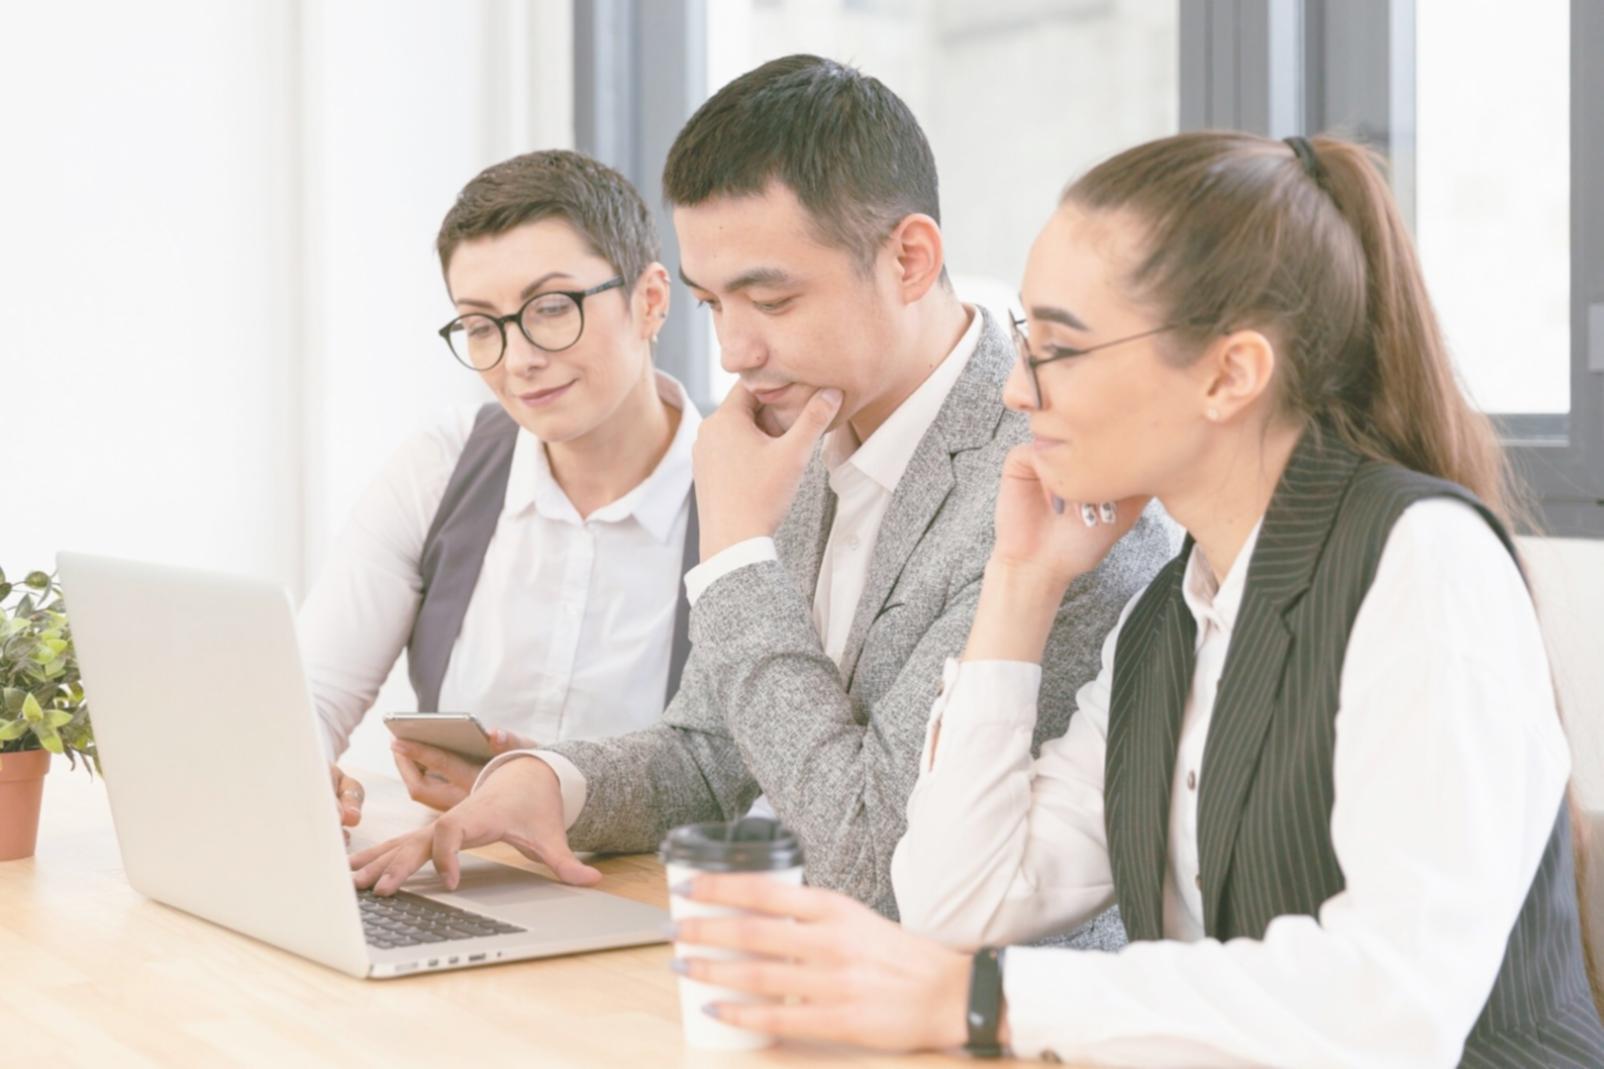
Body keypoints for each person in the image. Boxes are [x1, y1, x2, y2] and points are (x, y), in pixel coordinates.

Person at [661, 131, 1604, 1066]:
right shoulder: (1169, 617)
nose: (1017, 389)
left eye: (1060, 348)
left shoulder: (1422, 563)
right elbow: (955, 903)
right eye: (1024, 339)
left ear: (1230, 374)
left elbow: (1393, 1004)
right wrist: (1021, 584)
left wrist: (982, 999)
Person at [349, 55, 1171, 945]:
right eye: (711, 304)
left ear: (909, 259)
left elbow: (878, 863)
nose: (734, 351)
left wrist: (737, 556)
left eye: (770, 299)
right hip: (803, 971)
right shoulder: (806, 421)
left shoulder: (1051, 491)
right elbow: (711, 749)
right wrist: (551, 785)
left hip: (976, 1002)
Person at [302, 149, 701, 825]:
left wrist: (553, 799)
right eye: (482, 326)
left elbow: (751, 782)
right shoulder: (442, 469)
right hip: (462, 868)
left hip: (661, 885)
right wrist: (301, 771)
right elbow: (310, 692)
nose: (519, 360)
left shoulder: (752, 496)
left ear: (650, 301)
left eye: (552, 308)